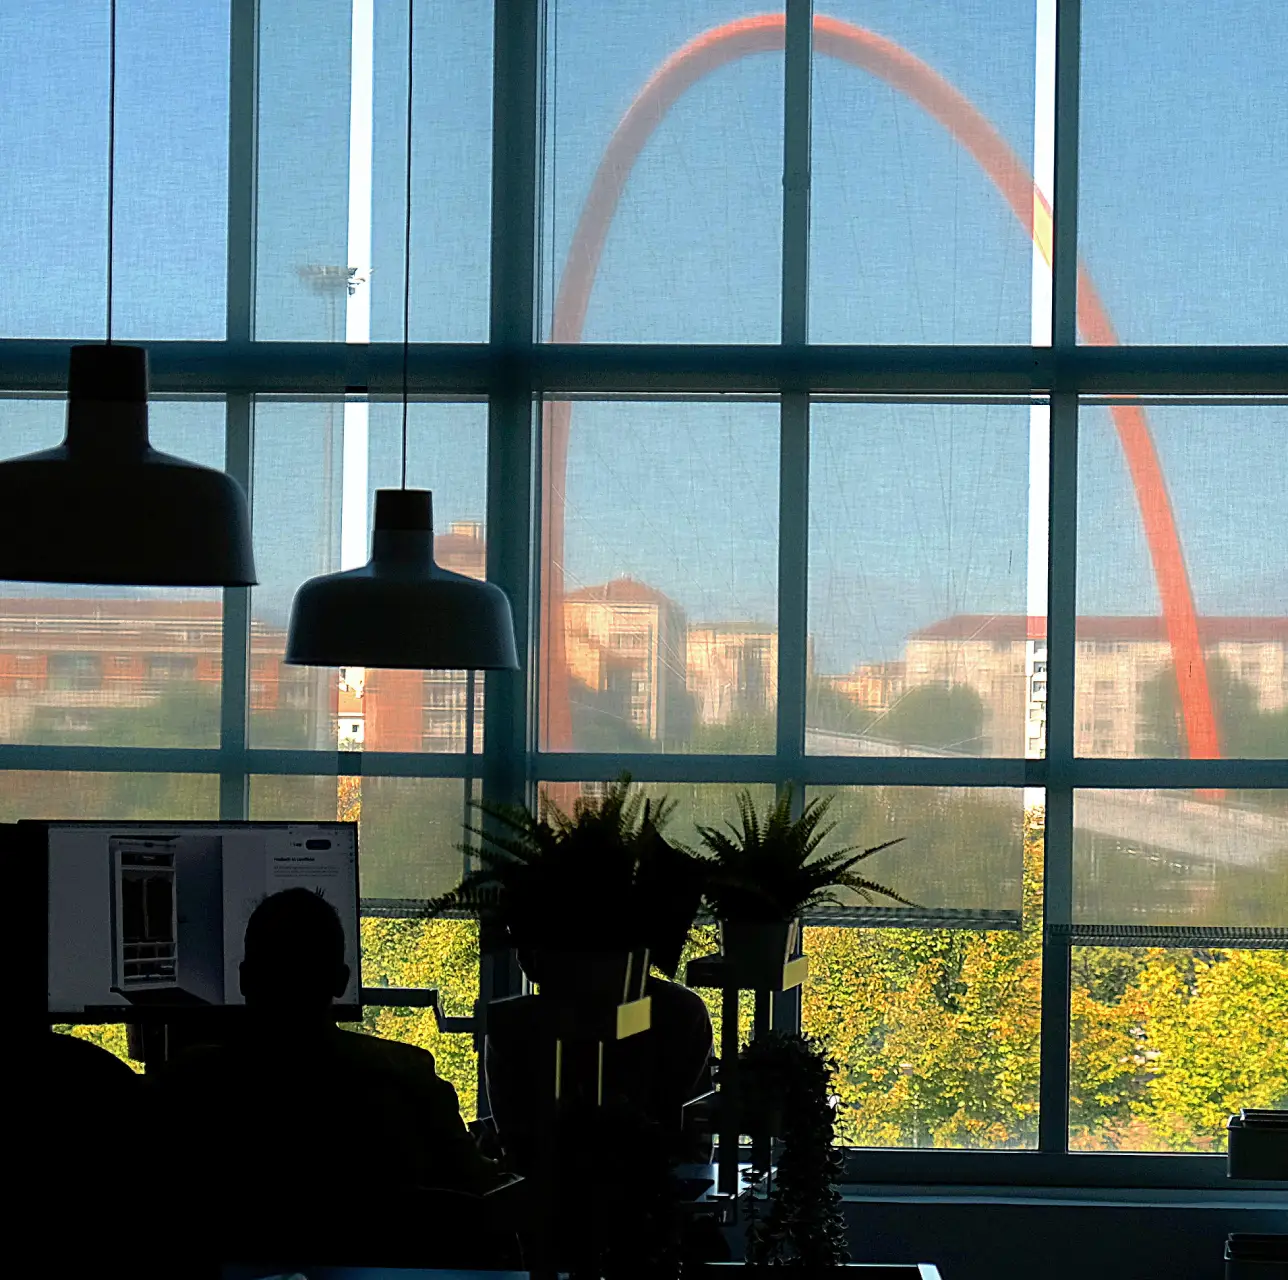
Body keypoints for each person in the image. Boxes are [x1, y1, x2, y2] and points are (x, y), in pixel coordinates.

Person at [152, 889, 497, 1228]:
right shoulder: (410, 1079)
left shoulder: (186, 1086)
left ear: (245, 979)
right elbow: (480, 1189)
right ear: (341, 981)